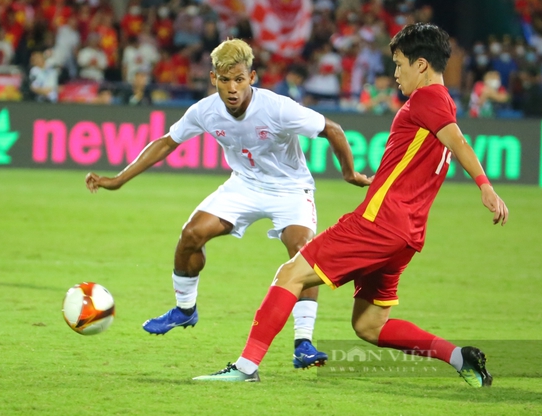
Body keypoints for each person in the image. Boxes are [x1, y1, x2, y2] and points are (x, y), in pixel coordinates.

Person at [193, 23, 509, 386]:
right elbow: (450, 140)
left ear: (421, 65)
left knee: (290, 274)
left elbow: (459, 142)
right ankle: (459, 357)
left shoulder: (428, 99)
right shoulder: (445, 102)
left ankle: (246, 368)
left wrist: (485, 186)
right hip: (407, 235)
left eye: (399, 63)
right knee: (369, 325)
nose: (395, 73)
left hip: (379, 222)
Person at [85, 38, 371, 368]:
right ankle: (185, 310)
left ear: (252, 77)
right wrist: (118, 180)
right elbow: (166, 142)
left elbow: (332, 129)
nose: (232, 88)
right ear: (213, 79)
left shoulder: (278, 107)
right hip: (244, 187)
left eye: (239, 79)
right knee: (190, 235)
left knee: (303, 255)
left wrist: (349, 173)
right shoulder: (205, 111)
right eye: (225, 80)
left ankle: (303, 342)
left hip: (291, 190)